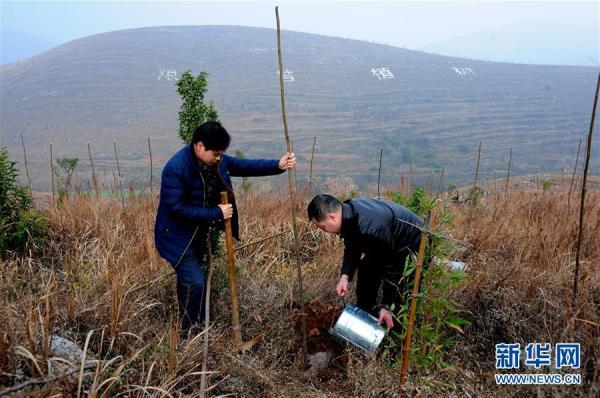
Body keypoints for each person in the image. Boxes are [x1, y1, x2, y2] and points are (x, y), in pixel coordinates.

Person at [155, 121, 296, 331]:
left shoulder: (215, 160)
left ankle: (194, 321)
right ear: (200, 146)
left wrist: (277, 165)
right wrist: (216, 213)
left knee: (189, 282)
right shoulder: (176, 169)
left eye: (222, 154)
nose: (220, 158)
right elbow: (176, 208)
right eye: (216, 153)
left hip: (196, 234)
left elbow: (244, 165)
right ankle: (190, 333)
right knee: (196, 282)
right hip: (176, 237)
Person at [307, 194, 424, 329]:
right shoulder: (348, 212)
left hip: (414, 243)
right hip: (388, 241)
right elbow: (352, 245)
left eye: (322, 227)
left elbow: (393, 268)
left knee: (402, 292)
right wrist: (345, 275)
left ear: (332, 217)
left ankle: (396, 333)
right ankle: (366, 314)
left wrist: (388, 305)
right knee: (366, 269)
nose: (324, 231)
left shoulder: (371, 228)